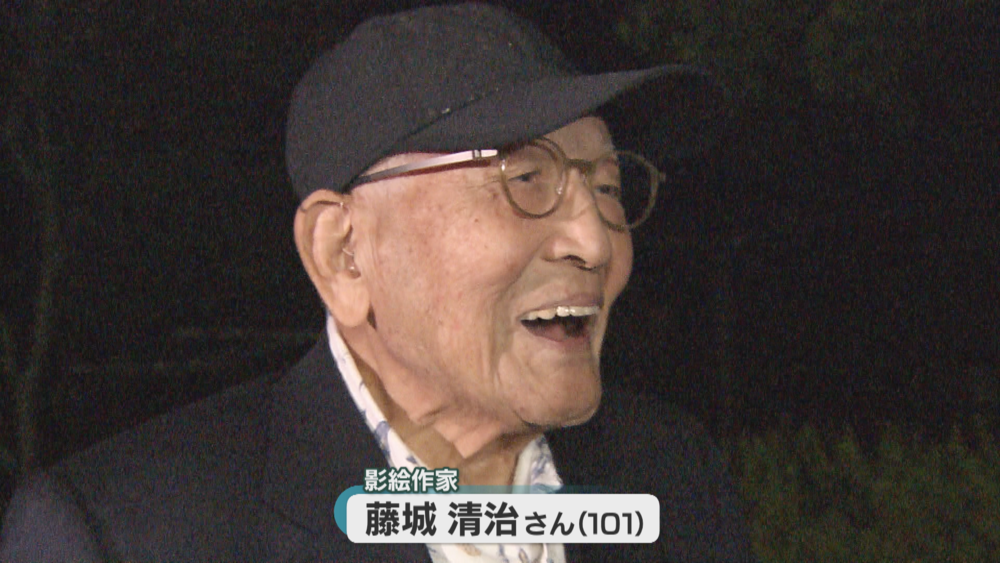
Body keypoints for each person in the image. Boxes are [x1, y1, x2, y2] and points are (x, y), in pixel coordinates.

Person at [0, 3, 755, 561]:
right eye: (527, 179)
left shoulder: (675, 479)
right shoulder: (122, 536)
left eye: (609, 187)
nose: (595, 241)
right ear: (344, 253)